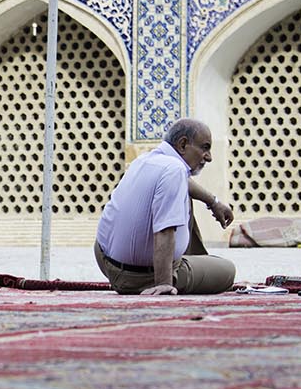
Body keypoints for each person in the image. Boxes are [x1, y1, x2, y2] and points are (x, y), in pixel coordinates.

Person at [94, 118, 237, 296]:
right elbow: (164, 230)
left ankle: (189, 263)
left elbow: (185, 182)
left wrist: (213, 202)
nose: (208, 157)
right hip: (140, 278)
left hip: (106, 261)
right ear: (183, 144)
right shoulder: (175, 170)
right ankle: (173, 273)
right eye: (205, 148)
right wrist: (164, 284)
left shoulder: (146, 159)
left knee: (184, 195)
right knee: (227, 271)